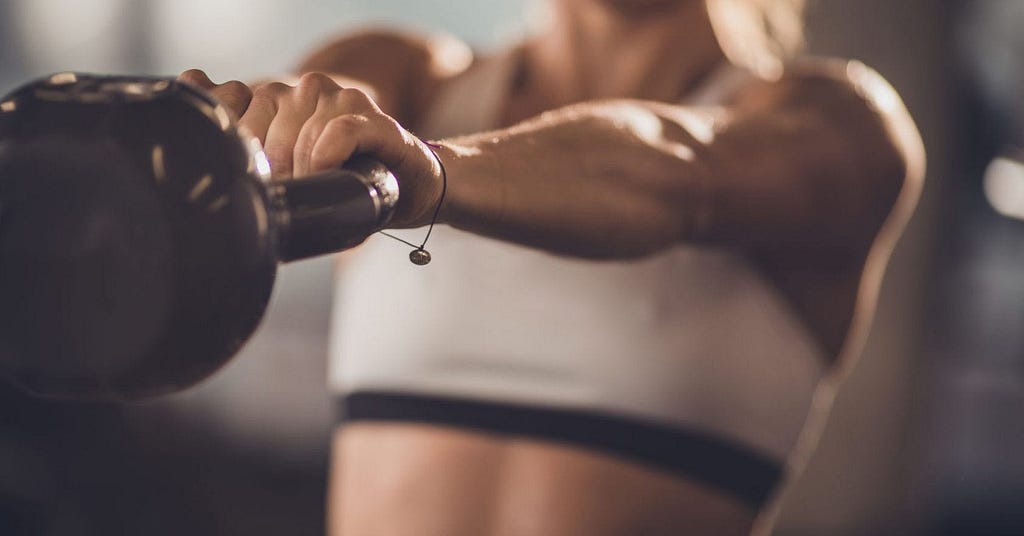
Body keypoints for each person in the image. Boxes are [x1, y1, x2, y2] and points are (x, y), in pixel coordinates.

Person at [179, 0, 924, 534]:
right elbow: (328, 111)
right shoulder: (403, 77)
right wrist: (266, 130)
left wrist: (431, 174)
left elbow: (671, 169)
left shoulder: (839, 126)